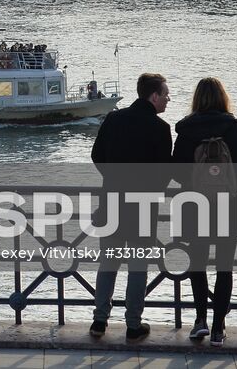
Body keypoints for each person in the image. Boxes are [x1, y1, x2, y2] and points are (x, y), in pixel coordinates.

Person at [171, 77, 237, 346]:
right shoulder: (235, 130)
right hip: (230, 207)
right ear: (223, 97)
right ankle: (219, 328)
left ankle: (200, 321)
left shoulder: (186, 131)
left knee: (197, 263)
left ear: (196, 99)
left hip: (195, 207)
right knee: (224, 267)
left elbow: (176, 171)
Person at [89, 72, 173, 343]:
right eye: (166, 94)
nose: (168, 99)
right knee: (138, 266)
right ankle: (133, 324)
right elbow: (164, 173)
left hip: (111, 202)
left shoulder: (114, 119)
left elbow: (97, 156)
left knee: (108, 263)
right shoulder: (160, 129)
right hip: (142, 207)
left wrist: (113, 179)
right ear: (154, 96)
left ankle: (99, 321)